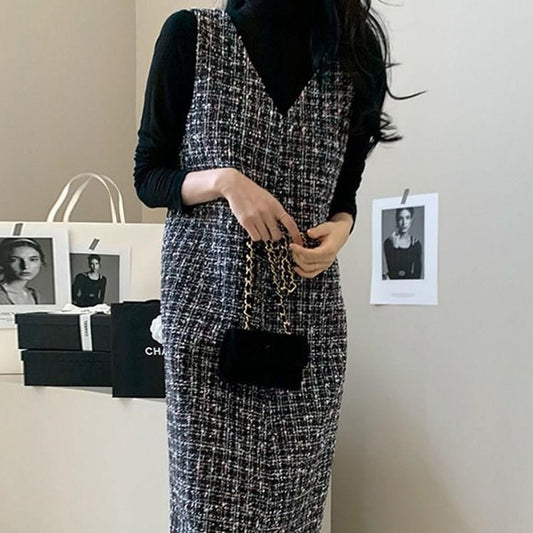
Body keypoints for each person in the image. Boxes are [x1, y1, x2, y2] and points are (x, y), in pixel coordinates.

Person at [134, 1, 421, 531]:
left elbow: (343, 195)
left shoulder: (354, 56)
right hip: (207, 312)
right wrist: (225, 182)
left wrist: (340, 232)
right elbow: (149, 176)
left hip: (308, 322)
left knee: (294, 514)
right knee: (206, 516)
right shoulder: (191, 36)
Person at [0, 237, 46, 305]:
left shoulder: (35, 295)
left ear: (41, 263)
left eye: (33, 259)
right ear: (2, 262)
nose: (25, 266)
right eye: (14, 260)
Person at [383, 207, 422, 279]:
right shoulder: (388, 243)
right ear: (397, 220)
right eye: (401, 218)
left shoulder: (416, 244)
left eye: (407, 218)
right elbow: (393, 272)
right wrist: (395, 247)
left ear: (411, 220)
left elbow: (417, 275)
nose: (404, 222)